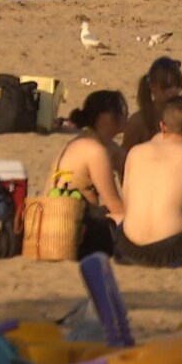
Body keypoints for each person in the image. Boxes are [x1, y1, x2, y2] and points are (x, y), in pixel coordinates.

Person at [115, 96, 182, 268]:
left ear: (162, 127)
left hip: (127, 249)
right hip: (174, 252)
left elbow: (128, 207)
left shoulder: (135, 152)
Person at [48, 90, 128, 255]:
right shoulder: (95, 150)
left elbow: (122, 160)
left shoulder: (91, 141)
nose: (126, 115)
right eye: (121, 110)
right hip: (72, 228)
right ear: (105, 118)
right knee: (126, 219)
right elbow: (115, 206)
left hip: (58, 220)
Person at [125, 56, 182, 154]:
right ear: (152, 87)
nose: (173, 92)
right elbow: (125, 156)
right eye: (166, 87)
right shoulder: (138, 121)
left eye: (177, 86)